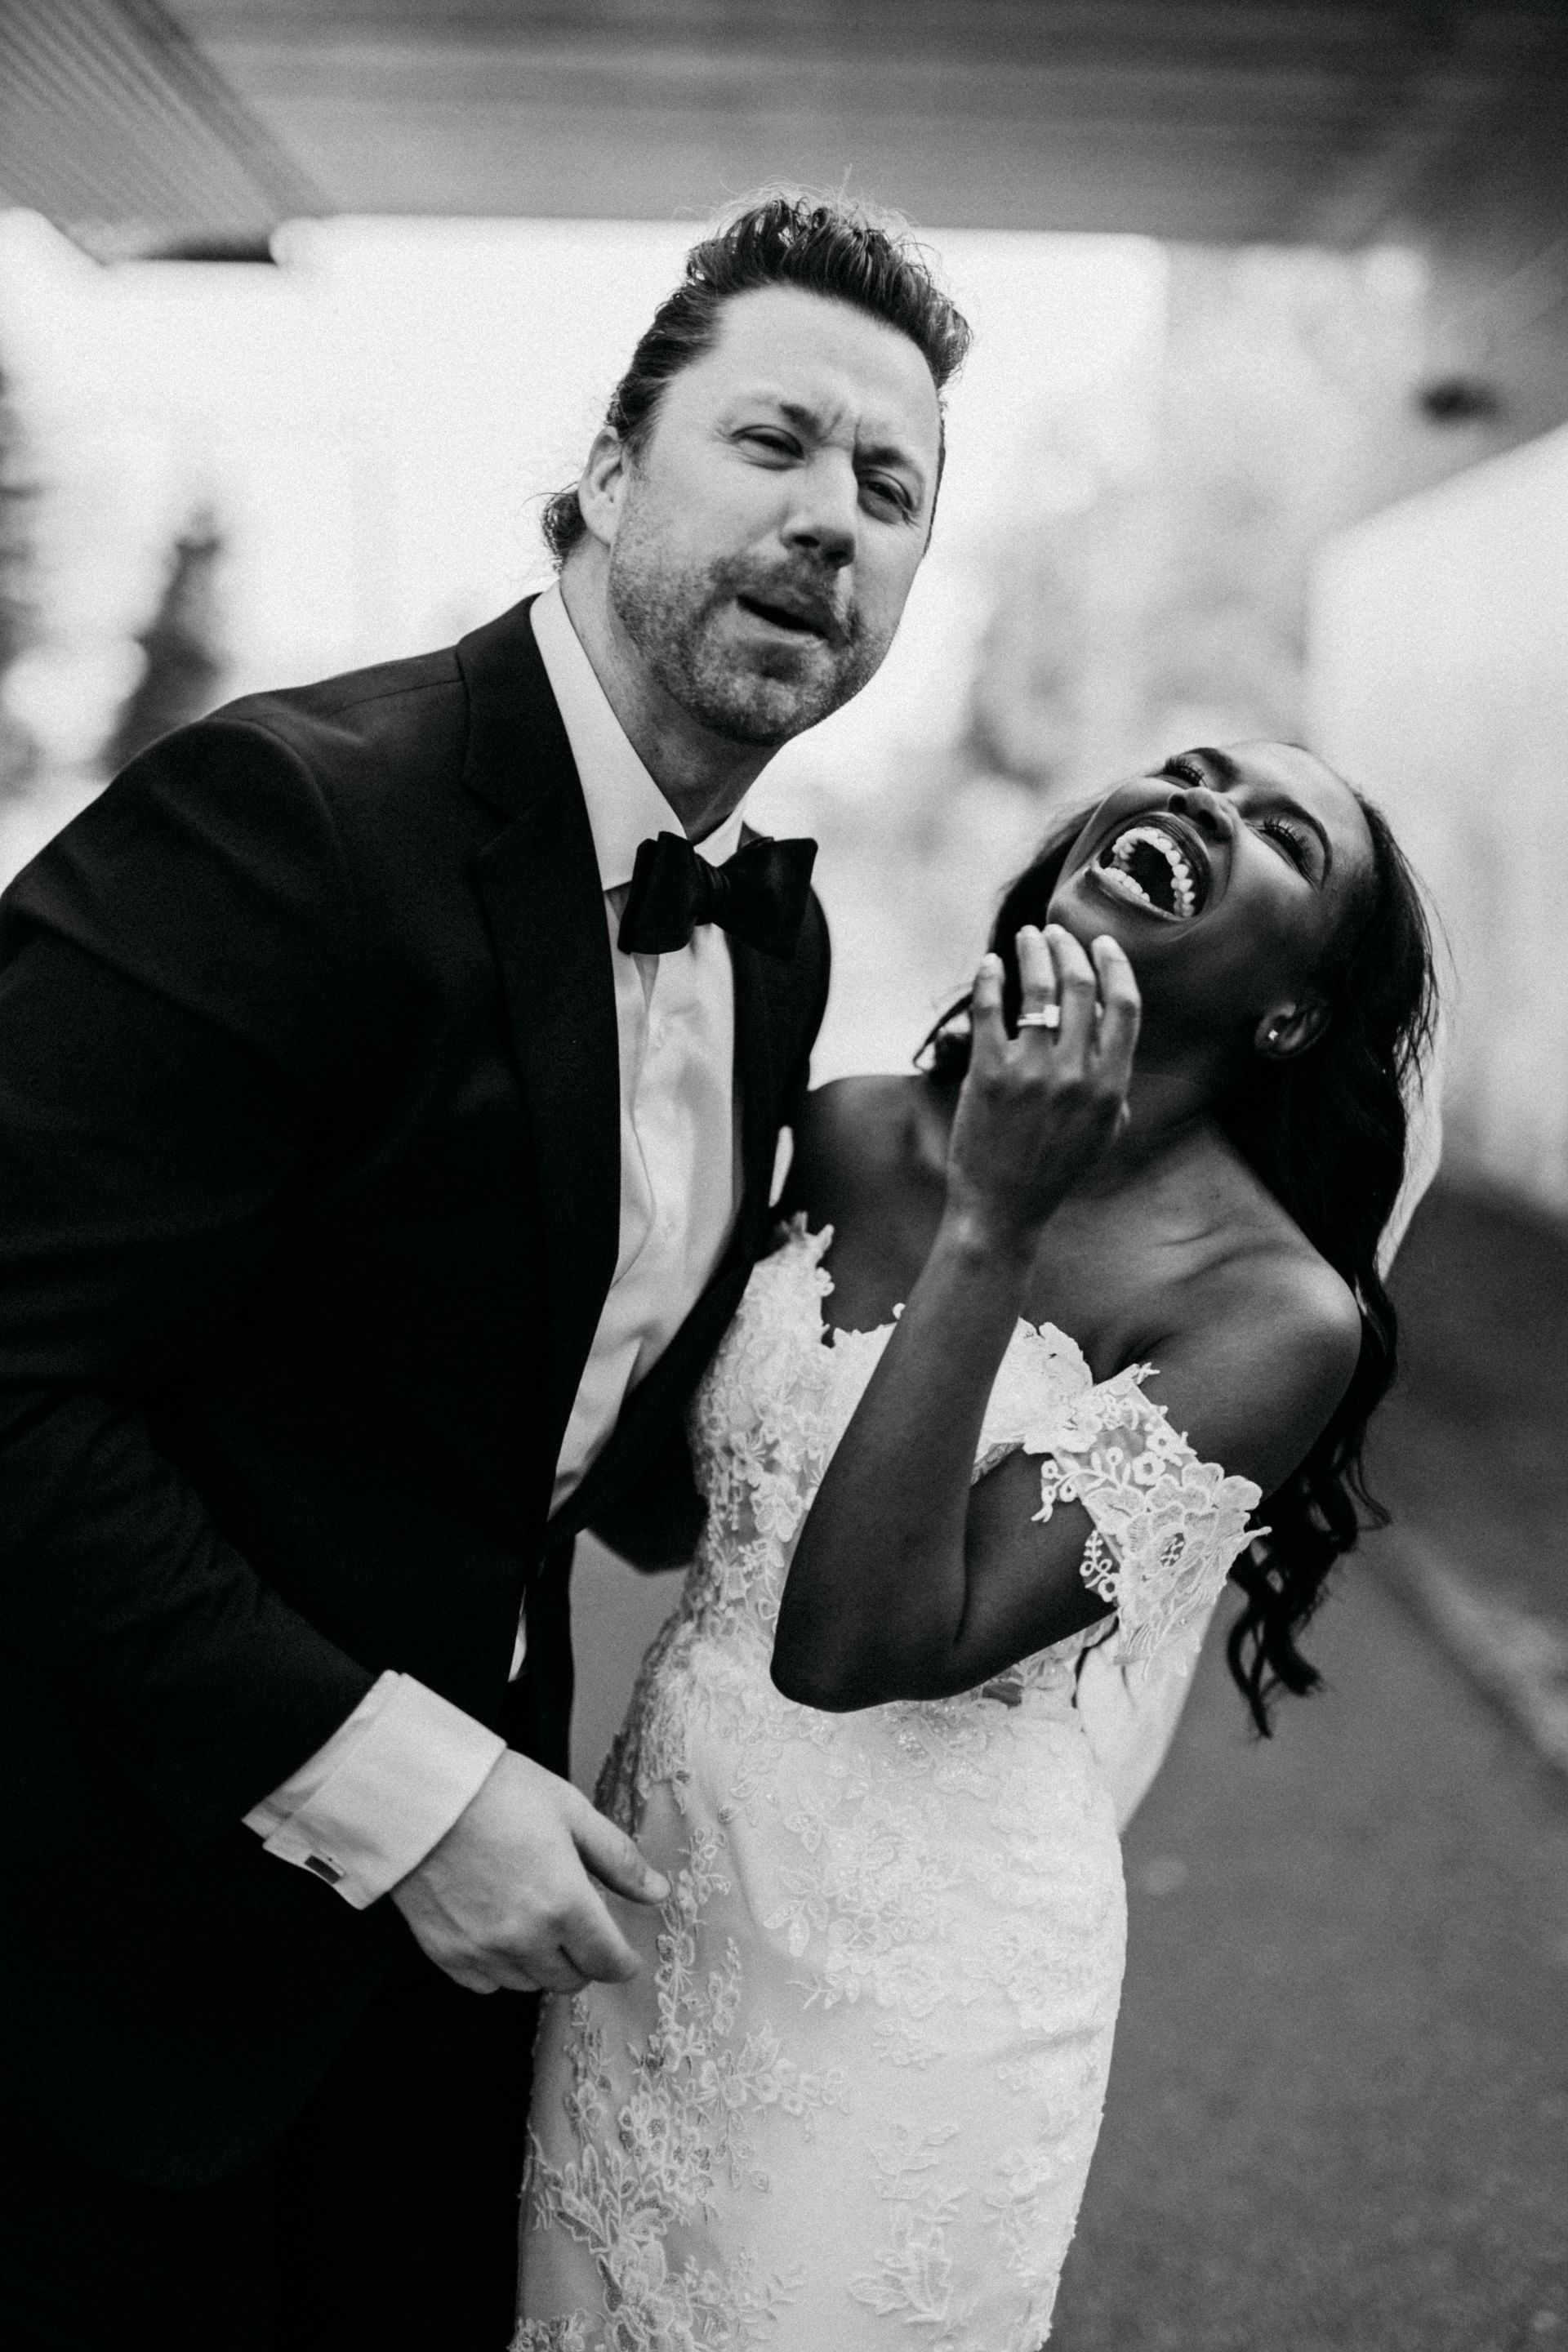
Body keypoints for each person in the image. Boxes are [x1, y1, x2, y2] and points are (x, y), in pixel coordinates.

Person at [0, 194, 971, 2350]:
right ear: (613, 469)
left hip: (451, 1991)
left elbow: (608, 1434)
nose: (832, 519)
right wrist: (403, 1791)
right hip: (97, 1944)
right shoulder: (286, 826)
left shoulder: (773, 938)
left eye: (888, 488)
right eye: (773, 443)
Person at [518, 742, 1437, 2349]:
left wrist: (995, 1220)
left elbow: (859, 1646)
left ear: (1292, 1013)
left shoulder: (1270, 1314)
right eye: (1189, 773)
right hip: (656, 1893)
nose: (1205, 802)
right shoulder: (856, 1128)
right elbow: (673, 1513)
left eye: (1279, 831)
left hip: (914, 1992)